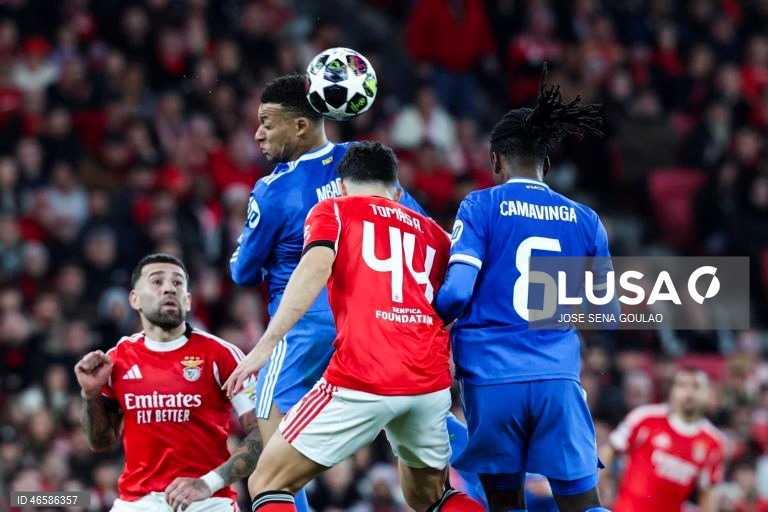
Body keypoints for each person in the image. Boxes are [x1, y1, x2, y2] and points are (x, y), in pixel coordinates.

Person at [224, 142, 485, 512]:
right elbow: (459, 295)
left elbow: (314, 267)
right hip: (429, 382)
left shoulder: (333, 209)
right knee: (430, 497)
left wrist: (267, 343)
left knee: (267, 481)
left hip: (364, 376)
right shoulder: (435, 234)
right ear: (397, 191)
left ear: (343, 186)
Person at [228, 74, 425, 512]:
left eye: (266, 122)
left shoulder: (273, 190)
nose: (258, 133)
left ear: (300, 126)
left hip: (302, 329)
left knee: (272, 465)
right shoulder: (362, 164)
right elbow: (415, 225)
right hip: (371, 323)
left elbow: (243, 271)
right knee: (424, 451)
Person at [435, 69, 615, 512]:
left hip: (492, 379)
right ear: (546, 166)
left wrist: (425, 321)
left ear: (495, 160)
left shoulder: (481, 205)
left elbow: (457, 293)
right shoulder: (586, 218)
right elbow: (607, 309)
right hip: (558, 378)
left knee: (505, 504)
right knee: (584, 505)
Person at [75, 253, 261, 512]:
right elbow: (101, 442)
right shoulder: (118, 360)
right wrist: (90, 394)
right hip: (135, 503)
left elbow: (261, 431)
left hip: (207, 502)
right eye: (157, 281)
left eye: (178, 283)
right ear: (134, 299)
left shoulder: (222, 355)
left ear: (187, 300)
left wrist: (209, 483)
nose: (169, 288)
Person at [600, 368, 725, 512]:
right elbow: (609, 450)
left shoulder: (713, 441)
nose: (689, 393)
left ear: (707, 394)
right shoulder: (645, 417)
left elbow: (707, 492)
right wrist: (597, 496)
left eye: (696, 386)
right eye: (682, 385)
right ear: (672, 391)